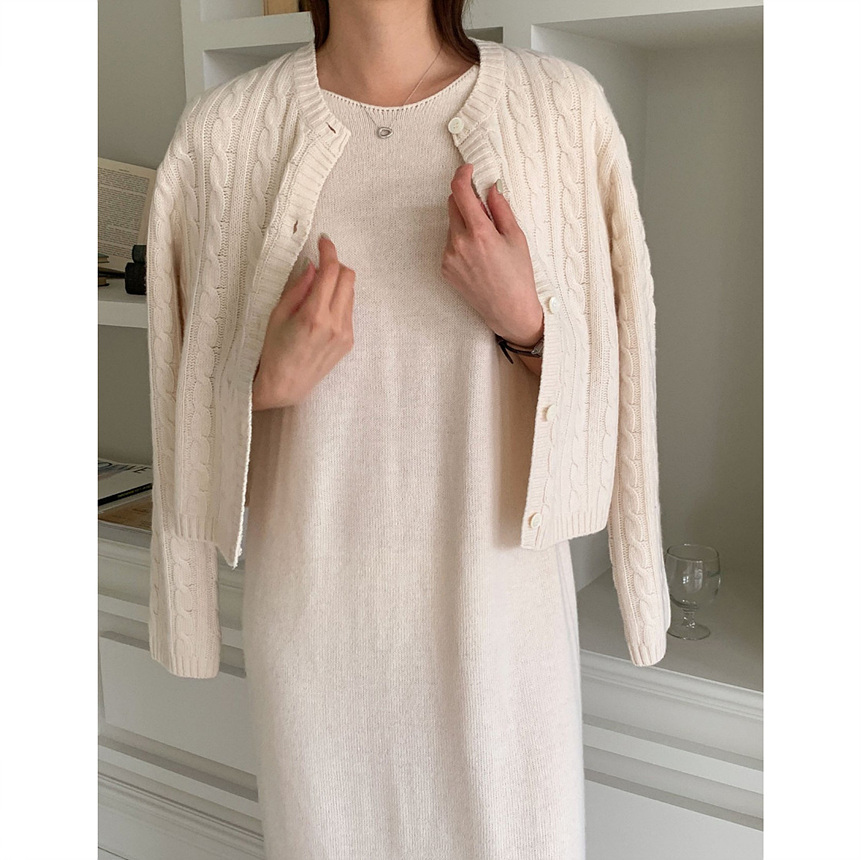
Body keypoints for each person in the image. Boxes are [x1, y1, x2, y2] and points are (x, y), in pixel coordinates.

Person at [146, 0, 671, 854]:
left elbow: (623, 374)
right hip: (316, 629)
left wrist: (526, 323)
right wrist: (262, 386)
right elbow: (180, 404)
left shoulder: (562, 110)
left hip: (504, 629)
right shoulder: (222, 135)